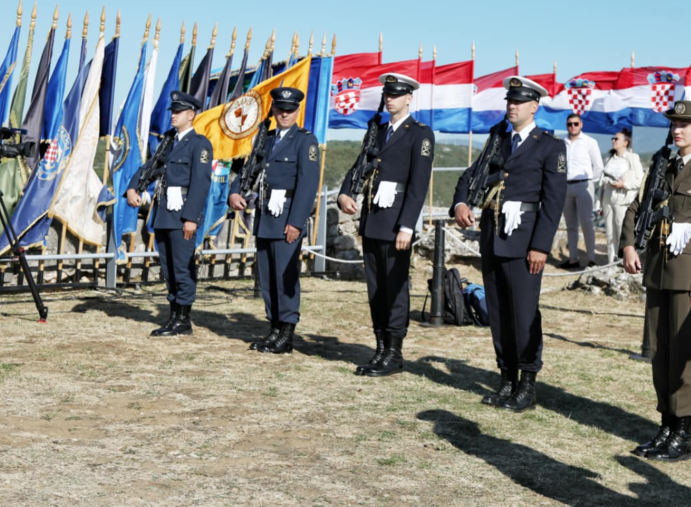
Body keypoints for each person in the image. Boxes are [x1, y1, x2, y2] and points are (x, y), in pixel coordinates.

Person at [451, 76, 568, 412]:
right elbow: (469, 176)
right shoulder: (496, 139)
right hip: (493, 236)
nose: (512, 106)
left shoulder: (549, 146)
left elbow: (553, 201)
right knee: (499, 313)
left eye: (519, 102)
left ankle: (527, 384)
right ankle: (506, 378)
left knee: (523, 313)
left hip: (525, 241)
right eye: (509, 101)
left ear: (534, 106)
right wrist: (460, 203)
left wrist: (541, 246)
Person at [621, 101, 691, 462]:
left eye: (686, 124)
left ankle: (683, 430)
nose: (678, 129)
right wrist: (629, 243)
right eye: (675, 123)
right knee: (659, 350)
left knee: (683, 353)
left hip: (688, 274)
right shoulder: (661, 164)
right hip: (658, 270)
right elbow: (638, 205)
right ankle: (665, 424)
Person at [339, 73, 434, 377]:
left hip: (396, 225)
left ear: (409, 98)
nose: (389, 98)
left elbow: (418, 185)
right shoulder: (376, 131)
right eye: (387, 94)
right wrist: (344, 192)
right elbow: (360, 164)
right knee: (376, 288)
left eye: (396, 94)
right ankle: (380, 347)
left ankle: (394, 352)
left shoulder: (420, 134)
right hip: (372, 220)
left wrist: (408, 225)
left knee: (394, 288)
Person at [228, 87, 320, 355]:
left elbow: (307, 184)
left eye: (289, 110)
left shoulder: (305, 141)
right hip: (266, 214)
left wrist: (296, 222)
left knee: (285, 275)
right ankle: (274, 327)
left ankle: (287, 332)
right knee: (267, 276)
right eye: (280, 109)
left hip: (288, 216)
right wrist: (235, 191)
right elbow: (248, 169)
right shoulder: (265, 140)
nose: (284, 114)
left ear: (297, 111)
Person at [125, 91, 213, 337]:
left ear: (191, 115)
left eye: (178, 112)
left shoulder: (199, 144)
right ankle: (174, 315)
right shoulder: (168, 141)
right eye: (172, 111)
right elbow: (149, 167)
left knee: (182, 267)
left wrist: (191, 218)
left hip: (183, 215)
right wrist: (133, 187)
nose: (173, 116)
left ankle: (183, 319)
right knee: (169, 267)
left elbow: (200, 183)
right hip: (164, 213)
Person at [558, 113, 604, 269]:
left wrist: (589, 181)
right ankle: (573, 259)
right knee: (571, 225)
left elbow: (598, 166)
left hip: (584, 186)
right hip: (565, 186)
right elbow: (559, 166)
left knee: (586, 223)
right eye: (569, 124)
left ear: (581, 124)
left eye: (575, 123)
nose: (572, 126)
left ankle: (591, 259)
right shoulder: (561, 142)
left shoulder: (590, 142)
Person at [600, 128, 643, 264]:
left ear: (625, 142)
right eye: (613, 139)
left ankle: (623, 261)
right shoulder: (609, 158)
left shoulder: (632, 158)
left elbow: (640, 181)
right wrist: (598, 202)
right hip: (608, 196)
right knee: (610, 233)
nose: (613, 140)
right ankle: (610, 262)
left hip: (623, 198)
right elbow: (602, 181)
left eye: (616, 139)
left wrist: (624, 184)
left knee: (621, 230)